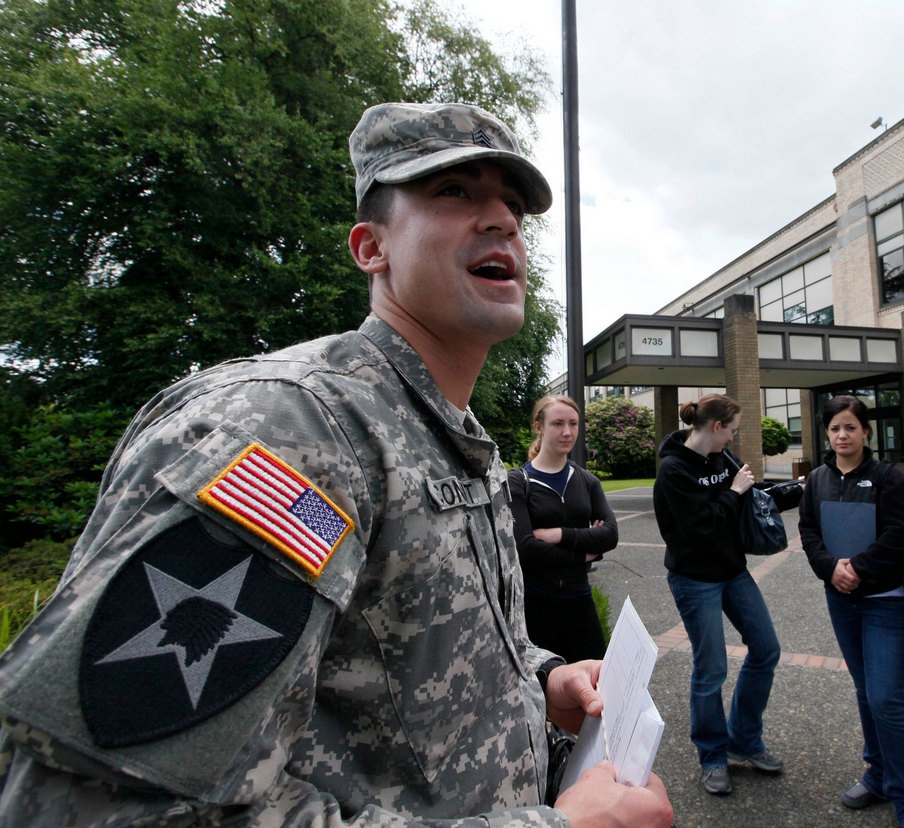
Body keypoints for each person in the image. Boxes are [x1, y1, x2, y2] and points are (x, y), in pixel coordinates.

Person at [0, 101, 672, 828]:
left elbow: (383, 662)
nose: (502, 219)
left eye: (511, 204)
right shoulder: (294, 433)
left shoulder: (451, 434)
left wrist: (538, 678)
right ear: (370, 248)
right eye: (454, 192)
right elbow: (104, 805)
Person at [652, 393, 801, 796]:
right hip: (694, 578)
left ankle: (745, 739)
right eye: (731, 430)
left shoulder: (724, 459)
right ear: (716, 427)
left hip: (732, 571)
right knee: (712, 667)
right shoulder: (673, 471)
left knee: (766, 648)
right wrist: (733, 493)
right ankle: (713, 755)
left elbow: (754, 496)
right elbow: (698, 530)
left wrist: (800, 488)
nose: (733, 439)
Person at [797, 395, 904, 828]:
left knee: (886, 697)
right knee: (863, 690)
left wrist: (859, 568)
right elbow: (809, 530)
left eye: (850, 427)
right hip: (842, 599)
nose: (842, 435)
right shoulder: (817, 479)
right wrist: (831, 568)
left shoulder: (889, 478)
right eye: (835, 428)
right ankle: (878, 776)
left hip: (886, 602)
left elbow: (902, 532)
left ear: (866, 432)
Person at [509, 394, 617, 663]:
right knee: (543, 693)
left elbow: (610, 535)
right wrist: (582, 554)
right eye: (557, 423)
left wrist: (559, 535)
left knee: (597, 687)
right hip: (535, 606)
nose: (567, 432)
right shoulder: (518, 482)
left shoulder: (587, 481)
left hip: (579, 602)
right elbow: (526, 549)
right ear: (539, 427)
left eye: (573, 424)